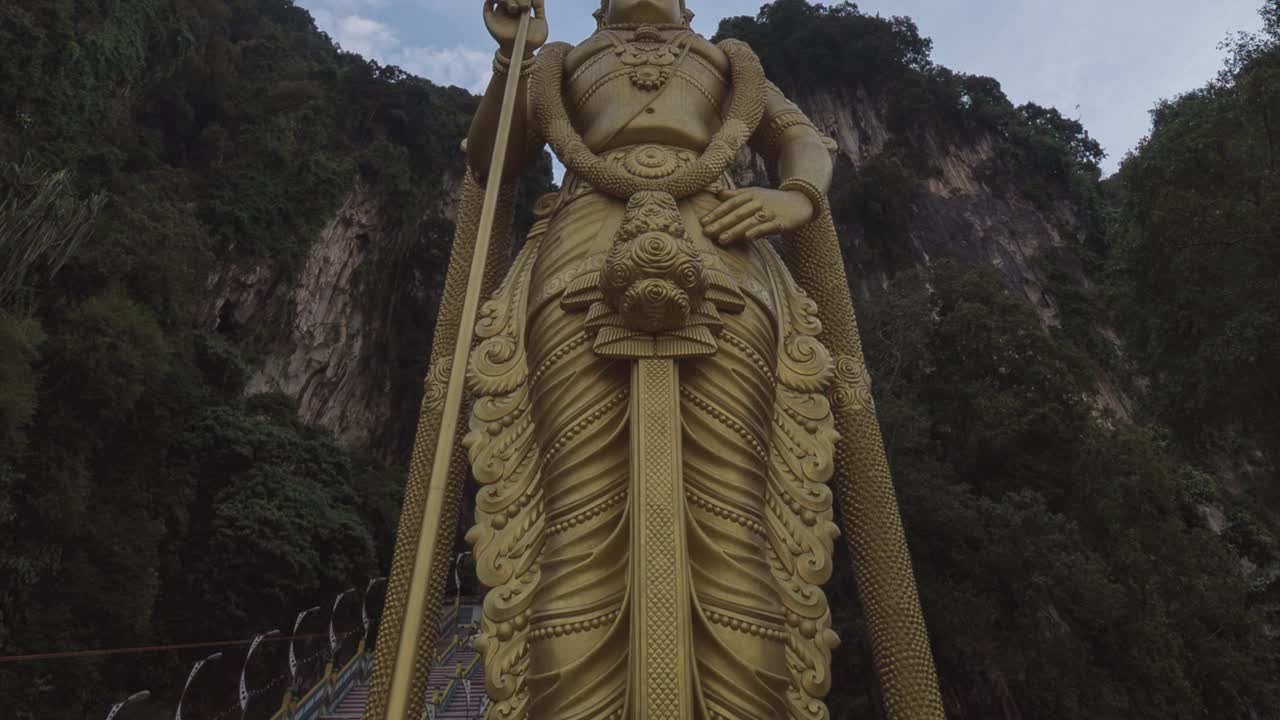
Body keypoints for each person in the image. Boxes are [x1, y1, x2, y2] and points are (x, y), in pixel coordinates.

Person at [460, 1, 845, 718]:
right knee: (575, 517)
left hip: (723, 245)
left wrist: (794, 197)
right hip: (579, 254)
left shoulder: (728, 59)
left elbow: (803, 140)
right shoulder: (563, 62)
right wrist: (512, 59)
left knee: (736, 521)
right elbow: (491, 160)